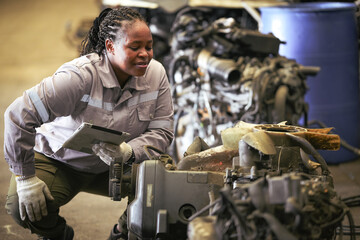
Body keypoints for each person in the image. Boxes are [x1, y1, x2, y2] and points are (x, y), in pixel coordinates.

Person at [4, 7, 174, 240]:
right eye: (134, 47)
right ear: (110, 46)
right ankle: (59, 235)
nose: (145, 54)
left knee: (169, 184)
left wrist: (129, 151)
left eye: (149, 46)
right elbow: (18, 115)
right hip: (60, 162)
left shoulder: (156, 74)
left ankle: (123, 233)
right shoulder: (79, 77)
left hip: (115, 166)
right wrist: (25, 179)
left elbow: (162, 130)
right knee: (22, 207)